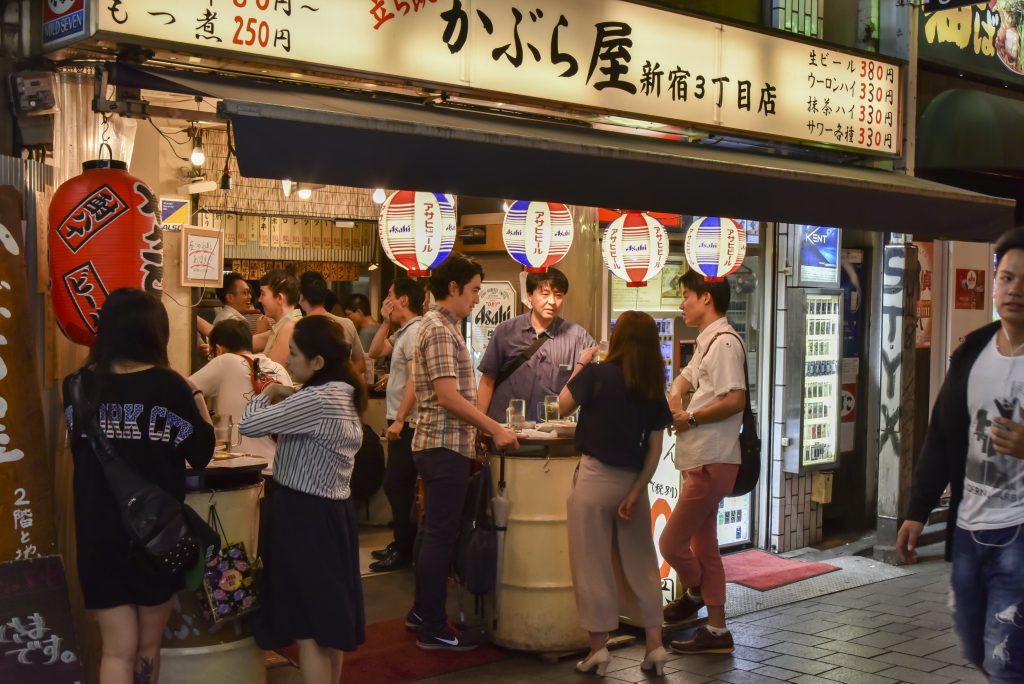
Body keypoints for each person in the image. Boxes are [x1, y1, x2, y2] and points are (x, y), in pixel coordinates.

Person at [62, 288, 215, 684]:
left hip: (98, 534)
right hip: (156, 537)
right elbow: (201, 453)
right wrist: (195, 394)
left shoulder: (76, 386)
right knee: (147, 646)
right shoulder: (169, 387)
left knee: (116, 650)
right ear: (154, 333)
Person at [897, 227, 1024, 682]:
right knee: (973, 642)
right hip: (970, 528)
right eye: (1007, 278)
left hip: (1020, 533)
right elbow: (943, 434)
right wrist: (916, 511)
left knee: (1005, 658)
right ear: (994, 283)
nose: (1015, 290)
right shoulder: (972, 353)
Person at [239, 316, 366, 684]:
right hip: (333, 514)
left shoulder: (318, 398)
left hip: (304, 515)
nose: (288, 360)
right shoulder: (342, 392)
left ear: (318, 362)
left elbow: (248, 426)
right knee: (330, 624)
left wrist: (266, 394)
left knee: (310, 628)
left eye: (294, 354)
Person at [407, 252, 519, 651]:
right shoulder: (438, 328)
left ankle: (423, 612)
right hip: (443, 445)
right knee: (441, 534)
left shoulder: (442, 326)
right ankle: (432, 625)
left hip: (443, 444)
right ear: (452, 288)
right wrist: (494, 428)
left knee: (433, 533)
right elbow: (448, 396)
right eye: (472, 290)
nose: (476, 298)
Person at [559, 310, 673, 676]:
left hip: (593, 481)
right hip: (632, 485)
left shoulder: (596, 375)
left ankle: (598, 649)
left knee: (592, 566)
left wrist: (581, 363)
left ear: (618, 339)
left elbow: (561, 405)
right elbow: (654, 449)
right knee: (641, 564)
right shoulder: (653, 387)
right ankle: (654, 646)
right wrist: (637, 491)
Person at [659, 270, 745, 655]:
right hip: (706, 460)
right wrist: (676, 395)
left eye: (686, 296)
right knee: (706, 547)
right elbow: (686, 377)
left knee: (671, 541)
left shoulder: (724, 343)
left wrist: (690, 417)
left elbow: (734, 399)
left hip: (713, 461)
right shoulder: (708, 342)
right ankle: (716, 630)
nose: (682, 303)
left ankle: (694, 590)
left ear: (706, 297)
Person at [477, 268, 596, 424]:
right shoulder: (506, 331)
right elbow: (487, 381)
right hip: (504, 431)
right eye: (545, 294)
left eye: (558, 295)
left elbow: (594, 379)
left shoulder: (578, 337)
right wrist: (479, 428)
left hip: (552, 435)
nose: (552, 302)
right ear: (529, 295)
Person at [366, 277, 425, 572]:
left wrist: (401, 419)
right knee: (398, 486)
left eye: (390, 294)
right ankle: (401, 543)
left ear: (403, 300)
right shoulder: (403, 331)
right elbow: (375, 352)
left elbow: (417, 378)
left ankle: (405, 549)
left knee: (398, 485)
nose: (386, 299)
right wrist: (386, 322)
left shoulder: (415, 332)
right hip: (400, 418)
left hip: (409, 422)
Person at [188, 319, 292, 468]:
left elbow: (181, 390)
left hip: (242, 469)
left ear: (218, 349)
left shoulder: (225, 361)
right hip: (280, 469)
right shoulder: (279, 368)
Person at [298, 271, 368, 377]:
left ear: (301, 297)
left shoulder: (299, 327)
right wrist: (344, 379)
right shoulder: (346, 323)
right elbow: (361, 364)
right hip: (342, 391)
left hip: (311, 391)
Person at [253, 269, 302, 365]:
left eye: (263, 294)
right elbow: (243, 344)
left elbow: (271, 375)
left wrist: (260, 331)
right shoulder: (283, 325)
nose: (259, 300)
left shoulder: (289, 328)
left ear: (280, 298)